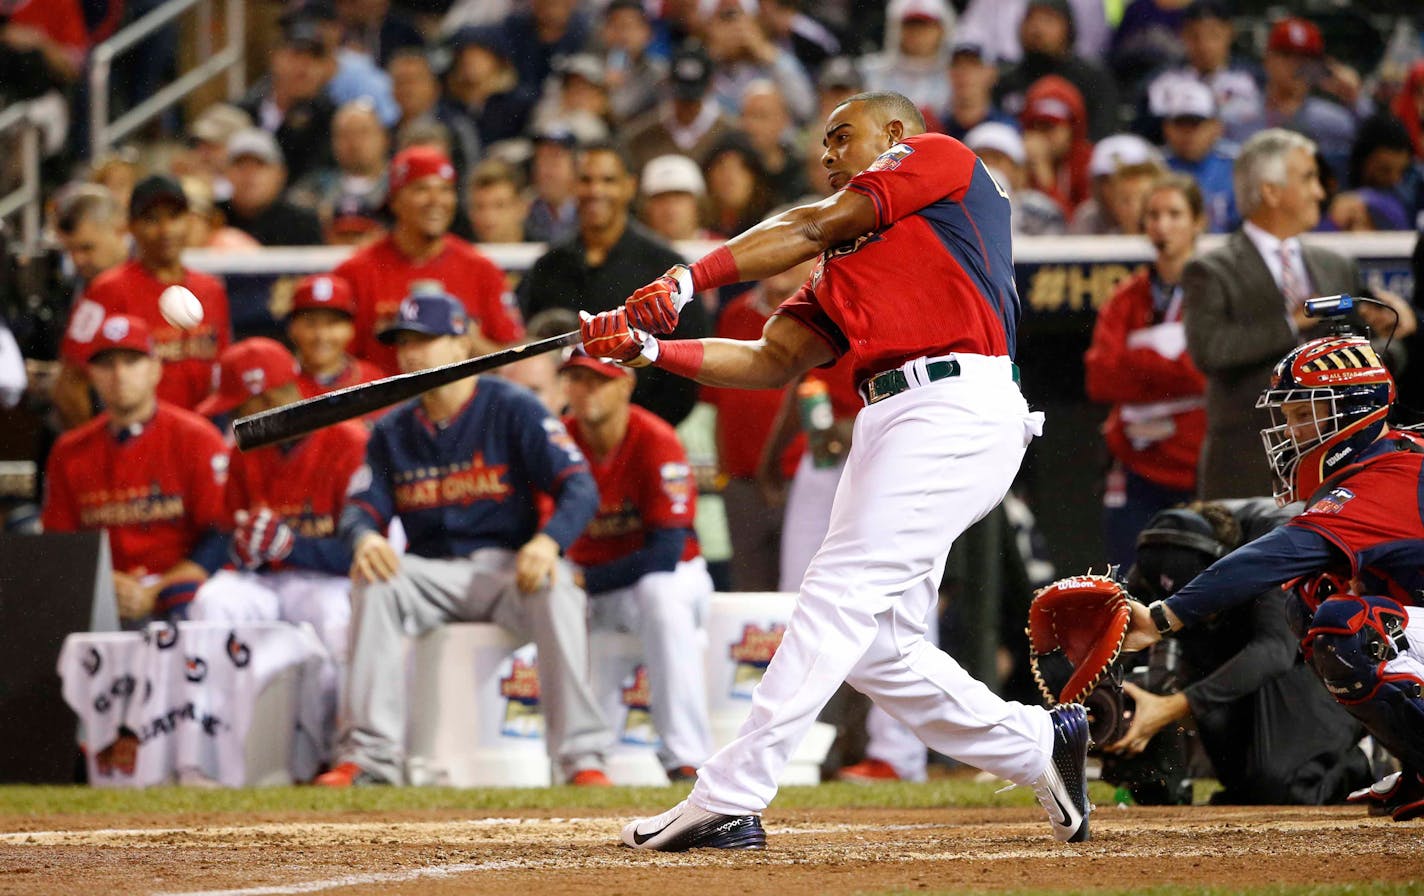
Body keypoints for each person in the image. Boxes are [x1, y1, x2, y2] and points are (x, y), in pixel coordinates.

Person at [578, 90, 1089, 850]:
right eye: (821, 143)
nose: (825, 155)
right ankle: (1033, 744)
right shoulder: (846, 259)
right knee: (878, 646)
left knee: (837, 595)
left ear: (890, 134)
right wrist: (651, 352)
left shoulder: (939, 159)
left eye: (838, 137)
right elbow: (772, 359)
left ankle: (730, 793)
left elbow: (811, 221)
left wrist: (685, 282)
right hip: (891, 418)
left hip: (956, 399)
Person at [1121, 332, 1424, 822]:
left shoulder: (1388, 474)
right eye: (1289, 417)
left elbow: (1277, 553)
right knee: (1311, 598)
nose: (1293, 430)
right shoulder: (1386, 459)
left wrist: (1163, 616)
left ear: (1353, 410)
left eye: (1305, 414)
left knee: (1345, 629)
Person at [317, 289, 612, 788]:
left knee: (559, 584)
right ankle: (368, 758)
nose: (412, 353)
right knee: (374, 579)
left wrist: (548, 542)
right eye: (404, 342)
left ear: (460, 345)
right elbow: (359, 509)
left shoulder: (511, 405)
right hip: (430, 573)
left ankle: (581, 759)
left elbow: (579, 486)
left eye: (425, 341)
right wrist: (366, 537)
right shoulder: (392, 428)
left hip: (507, 571)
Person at [1182, 128, 1414, 500]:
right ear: (1271, 191)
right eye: (1307, 178)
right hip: (1247, 472)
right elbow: (1210, 350)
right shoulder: (1210, 270)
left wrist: (1394, 334)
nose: (1320, 193)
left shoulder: (1336, 265)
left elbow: (1368, 360)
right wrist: (1291, 323)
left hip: (1342, 472)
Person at [1104, 500, 1373, 805]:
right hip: (1240, 654)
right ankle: (1166, 781)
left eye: (1203, 606)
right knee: (1248, 790)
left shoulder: (1276, 541)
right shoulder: (1164, 552)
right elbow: (1116, 648)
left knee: (1285, 788)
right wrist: (1107, 704)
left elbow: (1276, 650)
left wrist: (1173, 706)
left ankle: (1361, 757)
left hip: (1317, 660)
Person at [191, 338, 369, 766]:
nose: (233, 418)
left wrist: (295, 545)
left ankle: (342, 755)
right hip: (265, 580)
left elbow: (369, 552)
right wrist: (242, 550)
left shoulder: (351, 442)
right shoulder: (243, 450)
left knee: (337, 617)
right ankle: (213, 753)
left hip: (330, 579)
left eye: (240, 408)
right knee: (210, 603)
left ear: (269, 399)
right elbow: (230, 531)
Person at [559, 347, 716, 783]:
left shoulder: (656, 437)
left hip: (668, 578)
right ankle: (576, 760)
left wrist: (582, 579)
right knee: (548, 595)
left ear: (626, 383)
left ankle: (686, 756)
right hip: (591, 585)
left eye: (598, 380)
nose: (586, 390)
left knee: (659, 597)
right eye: (576, 379)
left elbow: (665, 552)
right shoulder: (557, 440)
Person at [42, 315, 229, 626]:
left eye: (131, 361)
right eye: (107, 364)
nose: (119, 375)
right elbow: (60, 544)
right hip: (103, 593)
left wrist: (156, 590)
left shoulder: (197, 438)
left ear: (155, 369)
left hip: (181, 593)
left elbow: (220, 536)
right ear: (91, 374)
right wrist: (106, 583)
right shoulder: (69, 450)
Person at [519, 142, 710, 427]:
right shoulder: (548, 267)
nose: (596, 191)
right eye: (586, 180)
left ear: (629, 187)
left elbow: (689, 366)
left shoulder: (665, 265)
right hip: (559, 433)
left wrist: (639, 432)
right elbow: (529, 350)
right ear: (573, 186)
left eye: (608, 180)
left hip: (642, 435)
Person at [1084, 173, 1208, 571]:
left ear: (1198, 222)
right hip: (1135, 463)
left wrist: (1138, 357)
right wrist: (1175, 367)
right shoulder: (1125, 297)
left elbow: (1208, 373)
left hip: (1198, 466)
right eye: (1153, 215)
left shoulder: (1216, 291)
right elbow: (1100, 376)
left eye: (1174, 214)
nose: (1162, 225)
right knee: (1126, 581)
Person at [56, 175, 232, 425]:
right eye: (152, 219)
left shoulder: (211, 290)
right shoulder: (106, 290)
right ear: (131, 226)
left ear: (189, 221)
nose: (166, 230)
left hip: (197, 444)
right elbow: (69, 385)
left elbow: (220, 379)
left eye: (174, 216)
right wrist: (100, 450)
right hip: (135, 442)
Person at [332, 145, 522, 377]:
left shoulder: (481, 268)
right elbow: (334, 368)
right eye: (421, 189)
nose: (436, 200)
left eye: (445, 190)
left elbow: (516, 364)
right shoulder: (356, 272)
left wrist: (470, 340)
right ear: (395, 200)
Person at [284, 274, 386, 404]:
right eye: (311, 323)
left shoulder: (373, 379)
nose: (321, 336)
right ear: (292, 328)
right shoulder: (279, 384)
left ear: (351, 329)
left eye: (332, 323)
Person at [217, 128, 325, 247]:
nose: (249, 174)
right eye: (240, 164)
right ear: (226, 172)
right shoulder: (212, 216)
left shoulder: (302, 223)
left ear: (280, 174)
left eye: (260, 164)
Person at [1158, 79, 1237, 234]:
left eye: (1196, 124)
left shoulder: (1234, 169)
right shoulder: (1157, 170)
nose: (1188, 133)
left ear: (1216, 127)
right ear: (1167, 128)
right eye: (1181, 124)